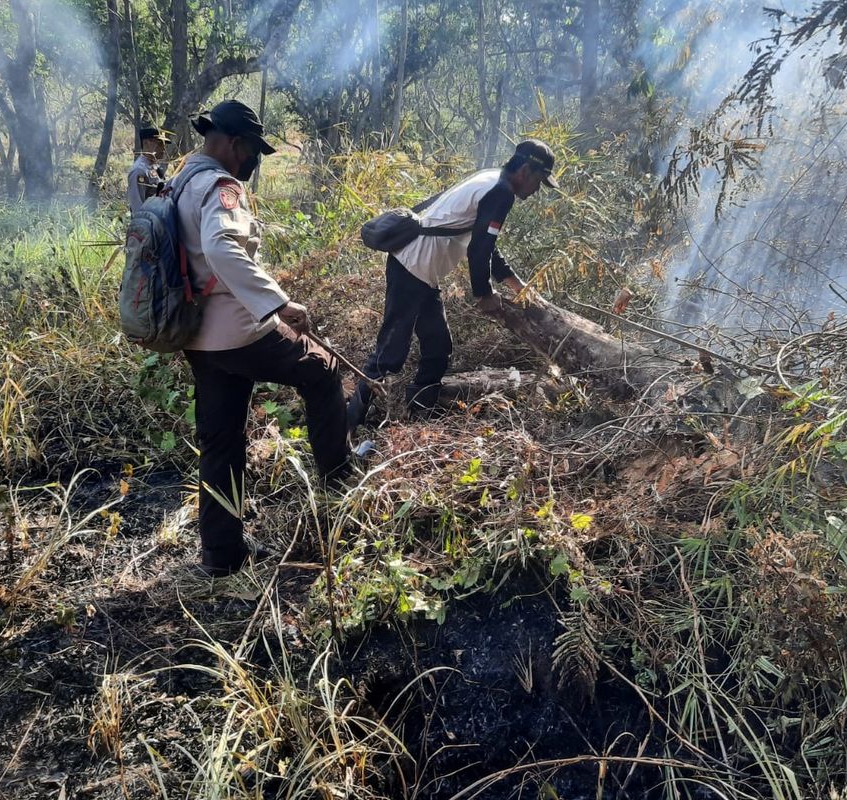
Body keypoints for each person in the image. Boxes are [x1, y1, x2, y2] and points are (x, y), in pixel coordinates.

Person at [176, 99, 351, 578]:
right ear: (236, 144)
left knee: (220, 439)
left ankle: (221, 554)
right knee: (323, 369)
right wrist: (279, 303)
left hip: (199, 338)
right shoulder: (220, 184)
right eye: (254, 150)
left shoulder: (178, 182)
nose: (253, 161)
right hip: (238, 330)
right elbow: (220, 245)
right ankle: (342, 492)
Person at [346, 139, 559, 431]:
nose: (536, 190)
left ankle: (418, 416)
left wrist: (517, 286)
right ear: (524, 170)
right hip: (414, 268)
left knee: (438, 346)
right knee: (389, 355)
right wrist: (483, 295)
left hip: (420, 271)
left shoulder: (490, 179)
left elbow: (486, 244)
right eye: (538, 181)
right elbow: (480, 248)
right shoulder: (500, 192)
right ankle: (345, 426)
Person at [127, 126, 170, 215]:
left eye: (164, 145)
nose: (163, 149)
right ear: (146, 144)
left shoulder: (154, 166)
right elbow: (137, 207)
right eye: (159, 144)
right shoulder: (139, 171)